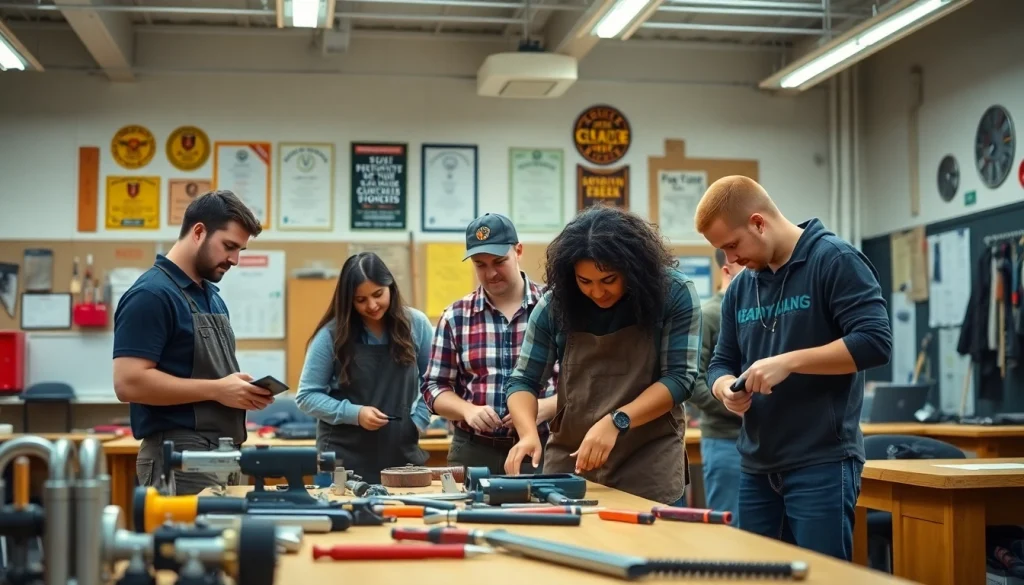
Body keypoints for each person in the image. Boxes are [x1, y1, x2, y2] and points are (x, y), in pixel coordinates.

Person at [694, 175, 892, 561]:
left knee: (824, 576)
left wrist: (789, 362)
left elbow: (874, 342)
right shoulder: (741, 287)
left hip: (821, 461)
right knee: (759, 574)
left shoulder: (834, 260)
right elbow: (719, 363)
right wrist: (724, 390)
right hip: (756, 465)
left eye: (732, 246)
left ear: (758, 222)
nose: (730, 260)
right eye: (722, 251)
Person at [503, 205, 702, 506]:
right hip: (573, 461)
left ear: (633, 268)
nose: (597, 292)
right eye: (585, 282)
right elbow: (523, 381)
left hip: (647, 460)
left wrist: (618, 420)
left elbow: (680, 379)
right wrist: (528, 433)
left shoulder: (672, 294)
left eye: (608, 280)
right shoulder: (555, 305)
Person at [112, 190, 269, 495]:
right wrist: (218, 390)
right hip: (181, 457)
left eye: (240, 250)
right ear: (199, 232)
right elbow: (128, 383)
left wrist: (239, 390)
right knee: (190, 544)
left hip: (223, 454)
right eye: (229, 246)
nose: (235, 260)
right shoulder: (152, 295)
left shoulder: (210, 296)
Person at [421, 213, 558, 474]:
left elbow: (580, 385)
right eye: (480, 264)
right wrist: (466, 410)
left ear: (518, 251)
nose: (491, 273)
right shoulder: (456, 317)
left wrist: (545, 407)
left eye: (499, 261)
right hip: (474, 451)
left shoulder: (554, 308)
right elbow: (432, 387)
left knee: (544, 514)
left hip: (542, 448)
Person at [295, 252, 432, 484]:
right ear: (348, 300)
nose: (371, 305)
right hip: (342, 459)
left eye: (378, 294)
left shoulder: (416, 325)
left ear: (391, 287)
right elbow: (306, 396)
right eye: (360, 300)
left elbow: (435, 382)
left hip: (399, 455)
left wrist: (418, 421)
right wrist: (355, 414)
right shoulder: (331, 335)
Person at [689, 249, 744, 519]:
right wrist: (739, 407)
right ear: (727, 271)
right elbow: (693, 381)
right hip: (725, 440)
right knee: (730, 525)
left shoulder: (756, 311)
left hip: (766, 441)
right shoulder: (709, 315)